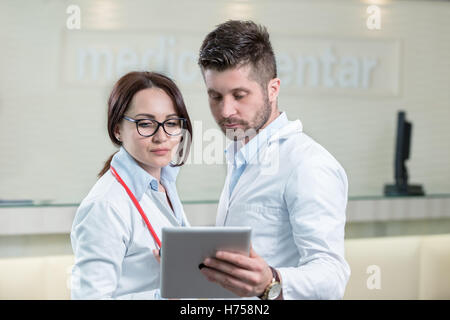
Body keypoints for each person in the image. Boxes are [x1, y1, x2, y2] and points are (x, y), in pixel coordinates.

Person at [197, 20, 350, 300]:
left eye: (239, 95)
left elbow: (332, 276)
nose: (226, 110)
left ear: (273, 89)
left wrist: (272, 282)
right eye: (215, 96)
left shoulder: (308, 164)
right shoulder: (239, 155)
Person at [70, 71, 193, 299]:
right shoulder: (105, 206)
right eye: (145, 124)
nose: (161, 136)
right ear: (117, 129)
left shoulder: (165, 184)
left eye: (172, 122)